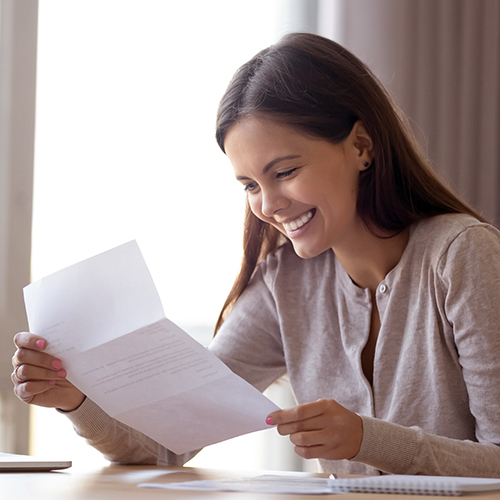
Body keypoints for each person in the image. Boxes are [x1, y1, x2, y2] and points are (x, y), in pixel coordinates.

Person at [11, 33, 500, 477]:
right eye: (250, 185)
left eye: (284, 171)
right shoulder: (284, 282)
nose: (268, 205)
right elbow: (166, 445)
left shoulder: (461, 256)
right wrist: (75, 401)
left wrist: (366, 440)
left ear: (361, 146)